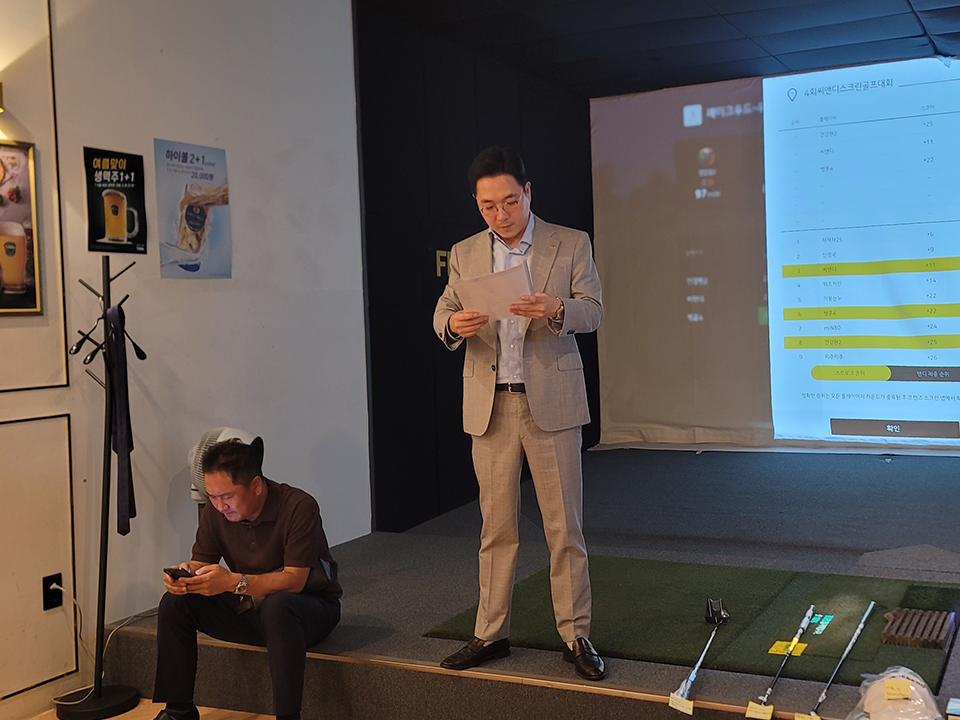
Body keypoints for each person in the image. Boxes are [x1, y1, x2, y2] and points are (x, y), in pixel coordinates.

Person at [433, 147, 605, 680]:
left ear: (528, 193)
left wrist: (556, 308)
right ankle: (490, 633)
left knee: (564, 528)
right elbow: (443, 311)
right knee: (496, 528)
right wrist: (453, 325)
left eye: (510, 201)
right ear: (476, 203)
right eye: (488, 206)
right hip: (491, 404)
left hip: (550, 399)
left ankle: (575, 635)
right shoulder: (465, 251)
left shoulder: (569, 242)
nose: (501, 214)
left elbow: (594, 310)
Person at [152, 437, 342, 720]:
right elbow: (202, 563)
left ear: (255, 485)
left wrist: (232, 582)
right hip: (251, 609)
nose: (219, 505)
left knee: (278, 606)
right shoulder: (215, 512)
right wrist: (187, 576)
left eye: (226, 496)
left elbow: (295, 580)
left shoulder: (298, 506)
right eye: (212, 496)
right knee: (174, 603)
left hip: (308, 610)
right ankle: (178, 711)